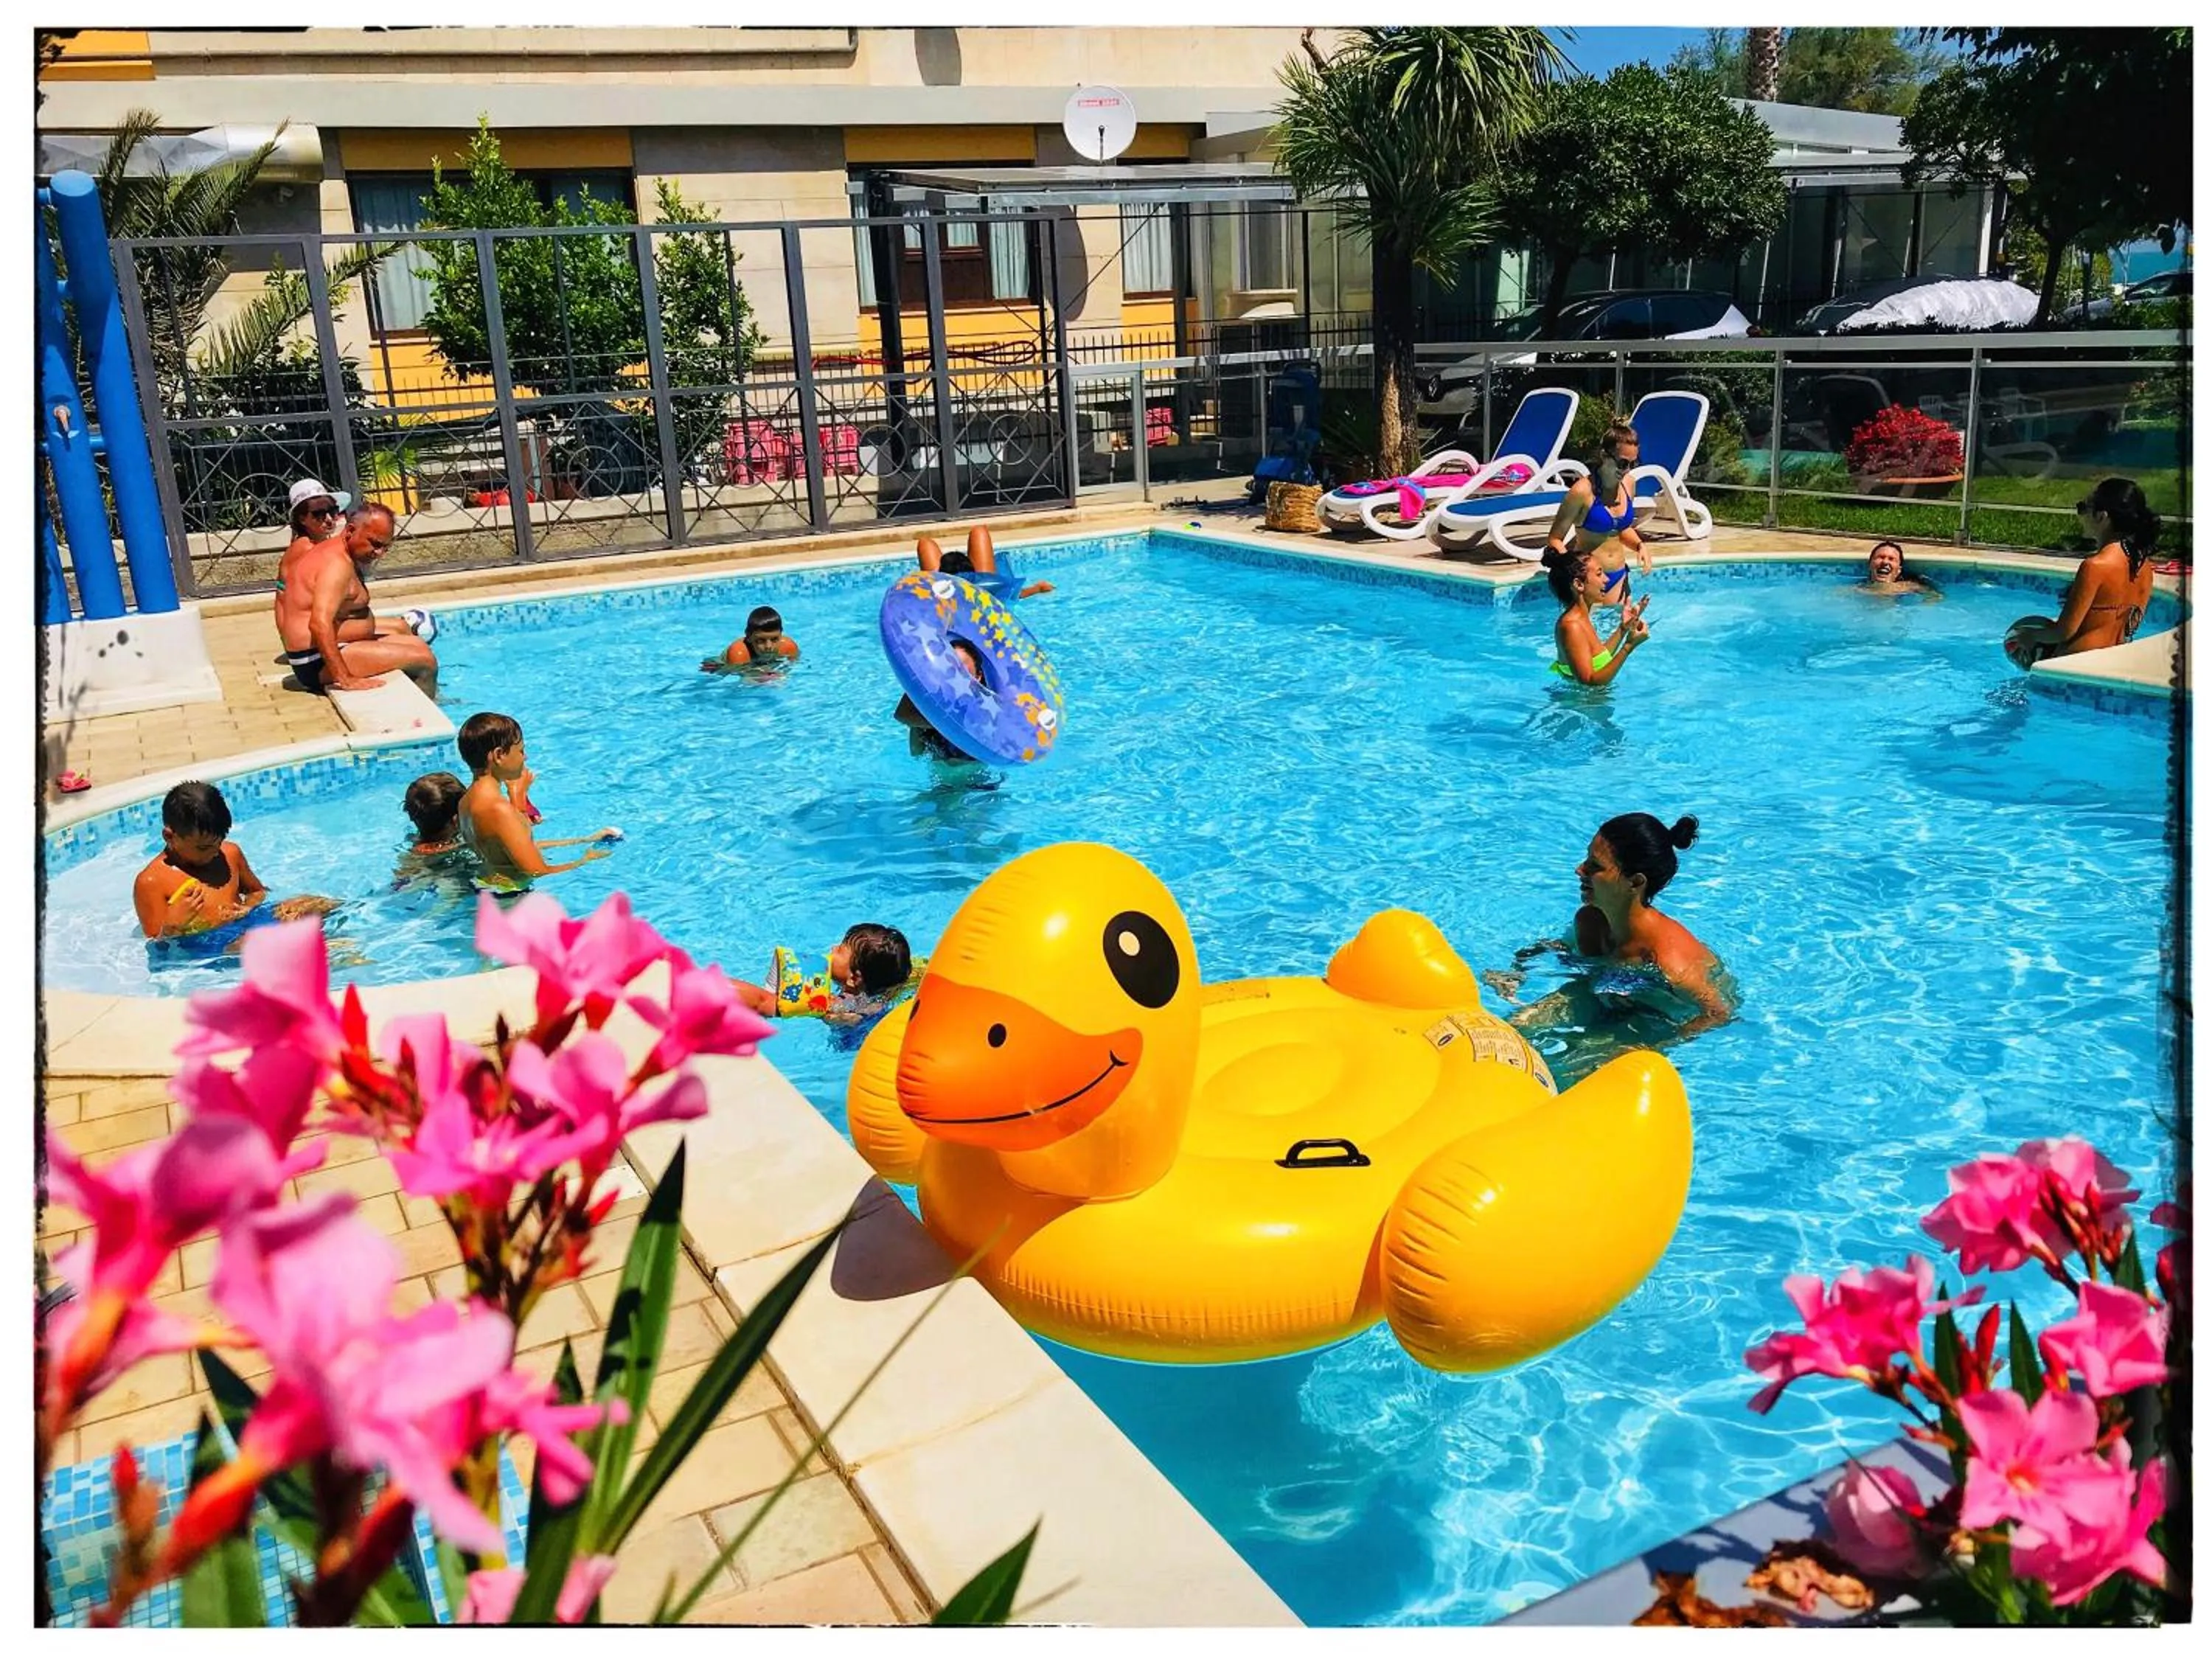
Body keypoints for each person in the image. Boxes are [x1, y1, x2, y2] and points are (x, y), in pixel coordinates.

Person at [131, 780, 336, 941]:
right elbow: (157, 947)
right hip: (207, 943)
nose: (214, 852)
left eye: (219, 842)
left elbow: (258, 891)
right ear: (170, 836)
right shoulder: (151, 882)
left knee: (311, 904)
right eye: (203, 847)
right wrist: (172, 925)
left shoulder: (230, 853)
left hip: (245, 923)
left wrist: (248, 907)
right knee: (261, 940)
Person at [275, 503, 439, 695]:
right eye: (376, 544)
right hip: (313, 661)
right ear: (351, 530)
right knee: (425, 661)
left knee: (418, 645)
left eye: (386, 547)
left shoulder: (341, 552)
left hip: (326, 649)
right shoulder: (336, 565)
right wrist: (345, 678)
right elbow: (319, 624)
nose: (380, 554)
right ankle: (422, 718)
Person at [2006, 478, 2160, 665]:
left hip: (2077, 661)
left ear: (2102, 517)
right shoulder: (2144, 567)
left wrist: (2027, 636)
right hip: (2116, 660)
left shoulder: (2095, 566)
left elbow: (2063, 632)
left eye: (2083, 507)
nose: (2081, 516)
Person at [456, 713, 619, 888]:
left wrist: (583, 840)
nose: (525, 758)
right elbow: (538, 872)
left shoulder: (465, 802)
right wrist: (586, 860)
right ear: (499, 755)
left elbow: (514, 850)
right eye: (520, 751)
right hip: (512, 900)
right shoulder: (499, 810)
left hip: (491, 888)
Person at [1541, 421, 1650, 599]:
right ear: (1604, 456)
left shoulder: (1629, 484)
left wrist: (1640, 545)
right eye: (1622, 463)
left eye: (1633, 464)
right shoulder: (1582, 492)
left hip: (1621, 577)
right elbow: (1555, 539)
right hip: (1591, 582)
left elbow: (1619, 529)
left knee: (1628, 626)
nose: (1627, 470)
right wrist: (1574, 570)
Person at [729, 923, 918, 1023]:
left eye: (840, 950)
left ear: (854, 978)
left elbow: (763, 1002)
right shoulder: (888, 990)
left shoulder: (838, 1006)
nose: (833, 948)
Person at [1544, 545, 1650, 686]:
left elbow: (1600, 659)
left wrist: (1623, 628)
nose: (1606, 580)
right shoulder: (1572, 626)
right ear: (1579, 584)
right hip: (1581, 707)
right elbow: (1589, 682)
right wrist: (1628, 647)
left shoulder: (1581, 618)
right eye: (1599, 574)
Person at [894, 639, 986, 761]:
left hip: (978, 777)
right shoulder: (934, 705)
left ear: (978, 676)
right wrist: (925, 676)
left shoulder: (984, 711)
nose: (954, 674)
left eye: (961, 668)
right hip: (937, 775)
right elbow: (903, 717)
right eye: (949, 667)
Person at [918, 526, 1054, 599]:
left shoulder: (938, 593)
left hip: (945, 588)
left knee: (924, 543)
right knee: (979, 531)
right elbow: (1014, 593)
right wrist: (1037, 588)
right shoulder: (987, 586)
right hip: (980, 589)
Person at [703, 605, 801, 674]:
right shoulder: (739, 653)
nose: (769, 647)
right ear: (749, 637)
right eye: (761, 641)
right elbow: (743, 679)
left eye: (775, 639)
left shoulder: (789, 647)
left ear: (781, 634)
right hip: (721, 665)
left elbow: (793, 666)